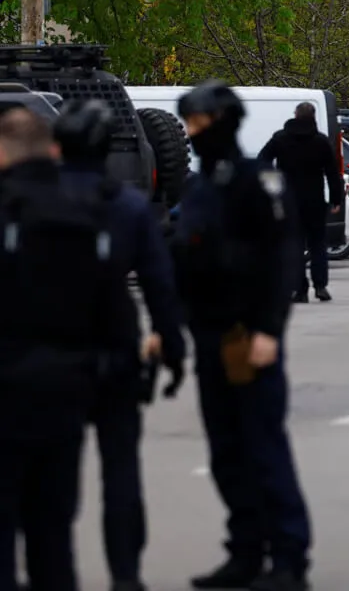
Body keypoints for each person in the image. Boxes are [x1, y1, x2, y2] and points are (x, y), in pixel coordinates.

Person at [172, 81, 313, 591]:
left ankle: (289, 559)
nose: (191, 134)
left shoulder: (258, 181)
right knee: (226, 452)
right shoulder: (199, 187)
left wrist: (269, 330)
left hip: (247, 335)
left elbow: (279, 259)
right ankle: (246, 553)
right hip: (210, 335)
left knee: (262, 448)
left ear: (224, 124)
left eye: (198, 125)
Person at [0, 108, 139, 591]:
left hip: (7, 391)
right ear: (52, 151)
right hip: (65, 392)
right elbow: (117, 312)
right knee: (52, 531)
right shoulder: (85, 217)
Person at [54, 100, 188, 591]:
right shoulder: (127, 206)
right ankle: (126, 575)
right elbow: (159, 286)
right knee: (121, 476)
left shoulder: (26, 199)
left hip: (48, 360)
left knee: (51, 479)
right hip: (113, 354)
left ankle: (55, 570)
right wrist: (172, 350)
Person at [258, 103, 343, 304]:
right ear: (313, 117)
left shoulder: (281, 138)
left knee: (293, 245)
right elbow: (333, 172)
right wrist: (336, 199)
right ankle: (320, 286)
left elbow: (262, 160)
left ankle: (300, 289)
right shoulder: (321, 142)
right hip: (314, 201)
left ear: (296, 115)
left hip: (288, 201)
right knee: (317, 245)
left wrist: (271, 186)